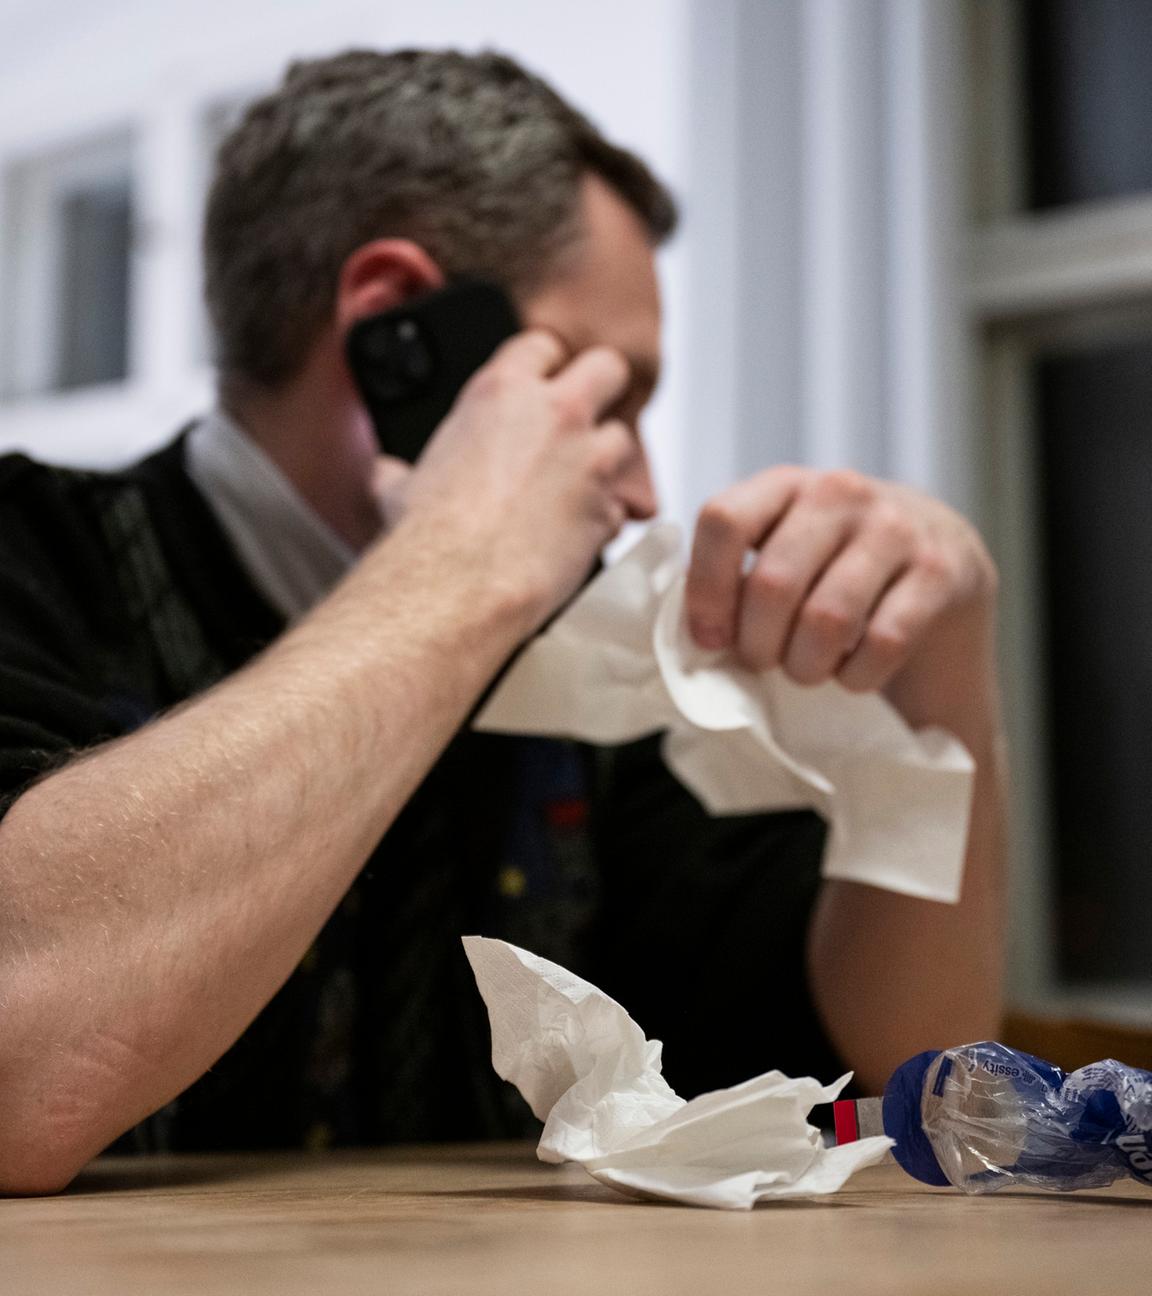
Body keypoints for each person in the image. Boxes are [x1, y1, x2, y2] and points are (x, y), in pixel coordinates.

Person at [0, 49, 1005, 1194]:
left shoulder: (596, 658)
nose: (639, 494)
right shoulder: (30, 557)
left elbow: (911, 1068)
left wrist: (945, 677)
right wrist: (463, 567)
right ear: (399, 326)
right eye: (608, 394)